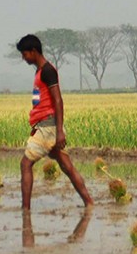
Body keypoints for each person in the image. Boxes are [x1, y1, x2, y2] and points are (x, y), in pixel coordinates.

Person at [16, 34, 94, 210]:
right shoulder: (39, 72)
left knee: (25, 164)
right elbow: (41, 100)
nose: (23, 58)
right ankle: (89, 203)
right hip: (45, 126)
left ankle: (25, 210)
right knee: (67, 167)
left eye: (25, 54)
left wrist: (59, 131)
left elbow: (58, 100)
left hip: (49, 127)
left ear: (33, 51)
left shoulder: (48, 71)